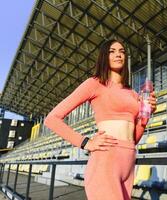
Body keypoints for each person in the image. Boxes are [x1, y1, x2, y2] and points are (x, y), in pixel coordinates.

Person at [44, 39, 157, 200]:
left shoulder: (133, 93)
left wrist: (146, 115)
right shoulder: (94, 84)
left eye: (122, 51)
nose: (118, 54)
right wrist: (86, 143)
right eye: (112, 51)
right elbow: (51, 119)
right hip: (105, 159)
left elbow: (134, 138)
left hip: (128, 161)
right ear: (104, 56)